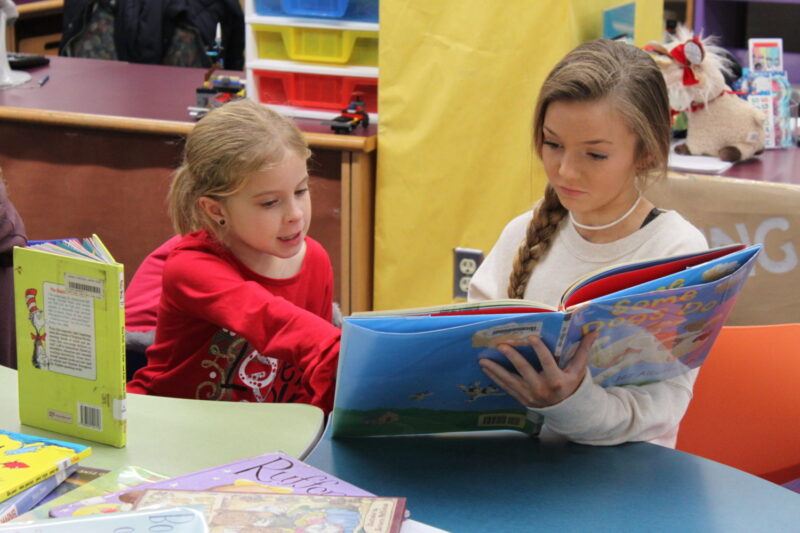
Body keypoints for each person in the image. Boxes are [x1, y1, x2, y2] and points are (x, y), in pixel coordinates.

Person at [468, 39, 708, 447]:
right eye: (552, 144)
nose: (564, 171)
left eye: (594, 155)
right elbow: (472, 361)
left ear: (646, 153)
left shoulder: (677, 252)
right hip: (517, 473)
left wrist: (569, 403)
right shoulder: (522, 232)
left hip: (626, 483)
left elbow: (661, 409)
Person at [128, 99, 340, 412]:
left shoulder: (316, 260)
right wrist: (348, 353)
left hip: (261, 437)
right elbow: (269, 319)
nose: (295, 214)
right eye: (270, 203)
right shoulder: (191, 266)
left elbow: (313, 381)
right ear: (216, 210)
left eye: (300, 190)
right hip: (166, 426)